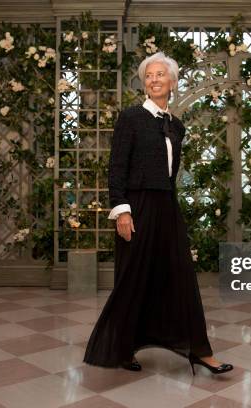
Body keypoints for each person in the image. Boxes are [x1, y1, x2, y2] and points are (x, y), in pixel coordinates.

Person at [82, 52, 233, 376]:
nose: (153, 79)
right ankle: (122, 348)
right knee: (133, 278)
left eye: (160, 74)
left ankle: (200, 351)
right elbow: (117, 167)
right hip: (136, 206)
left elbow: (170, 173)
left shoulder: (176, 126)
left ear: (173, 82)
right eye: (148, 75)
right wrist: (122, 211)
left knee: (182, 276)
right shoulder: (131, 117)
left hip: (167, 204)